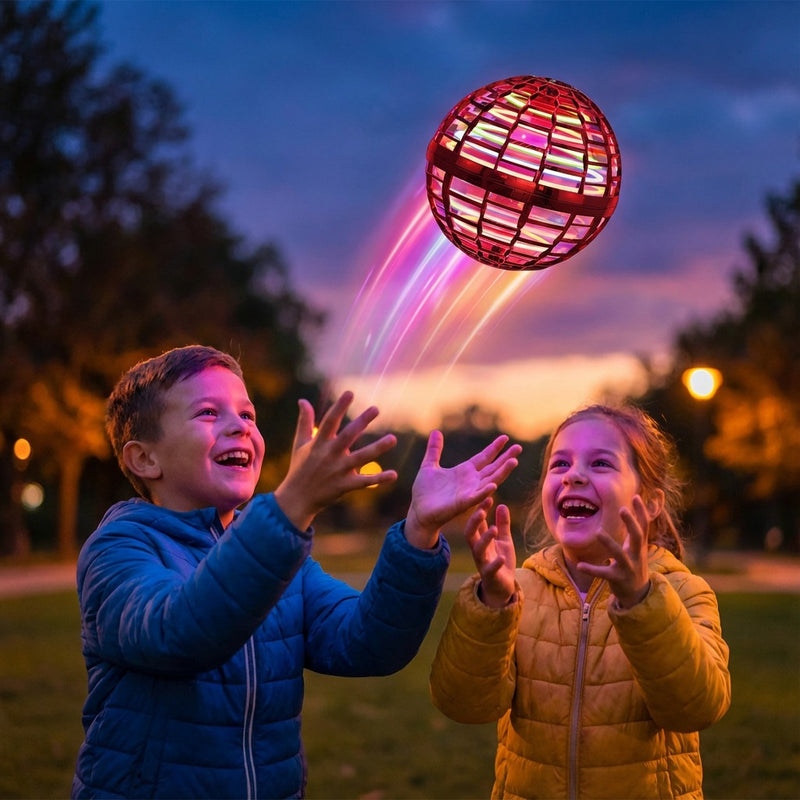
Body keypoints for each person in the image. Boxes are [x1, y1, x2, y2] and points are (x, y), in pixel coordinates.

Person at [72, 344, 522, 800]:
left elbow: (369, 644)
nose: (238, 427)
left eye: (247, 415)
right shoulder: (120, 550)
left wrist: (419, 531)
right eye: (208, 413)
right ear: (145, 459)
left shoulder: (284, 562)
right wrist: (291, 508)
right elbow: (182, 632)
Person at [430, 403, 731, 800]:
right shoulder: (519, 593)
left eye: (601, 463)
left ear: (650, 501)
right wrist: (492, 605)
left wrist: (642, 602)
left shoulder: (682, 592)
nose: (573, 475)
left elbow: (696, 707)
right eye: (559, 464)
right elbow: (464, 705)